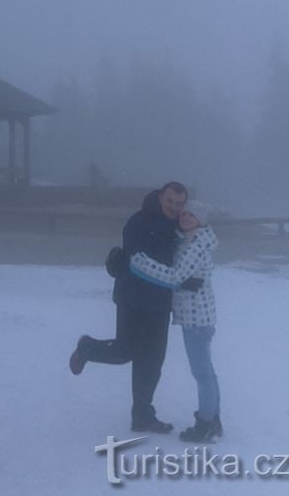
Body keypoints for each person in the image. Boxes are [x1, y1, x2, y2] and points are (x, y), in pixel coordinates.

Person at [68, 182, 189, 434]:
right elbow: (138, 263)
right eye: (170, 201)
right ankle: (87, 348)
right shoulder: (139, 222)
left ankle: (142, 415)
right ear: (160, 197)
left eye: (179, 204)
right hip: (132, 299)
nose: (174, 208)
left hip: (159, 304)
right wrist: (177, 279)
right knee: (125, 351)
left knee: (152, 361)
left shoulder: (178, 227)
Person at [129, 200, 221, 443]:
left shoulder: (196, 244)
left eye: (193, 215)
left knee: (202, 373)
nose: (186, 217)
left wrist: (142, 263)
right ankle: (214, 419)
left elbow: (175, 276)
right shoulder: (191, 240)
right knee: (207, 372)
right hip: (199, 317)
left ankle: (206, 423)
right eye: (184, 213)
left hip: (197, 319)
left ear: (201, 220)